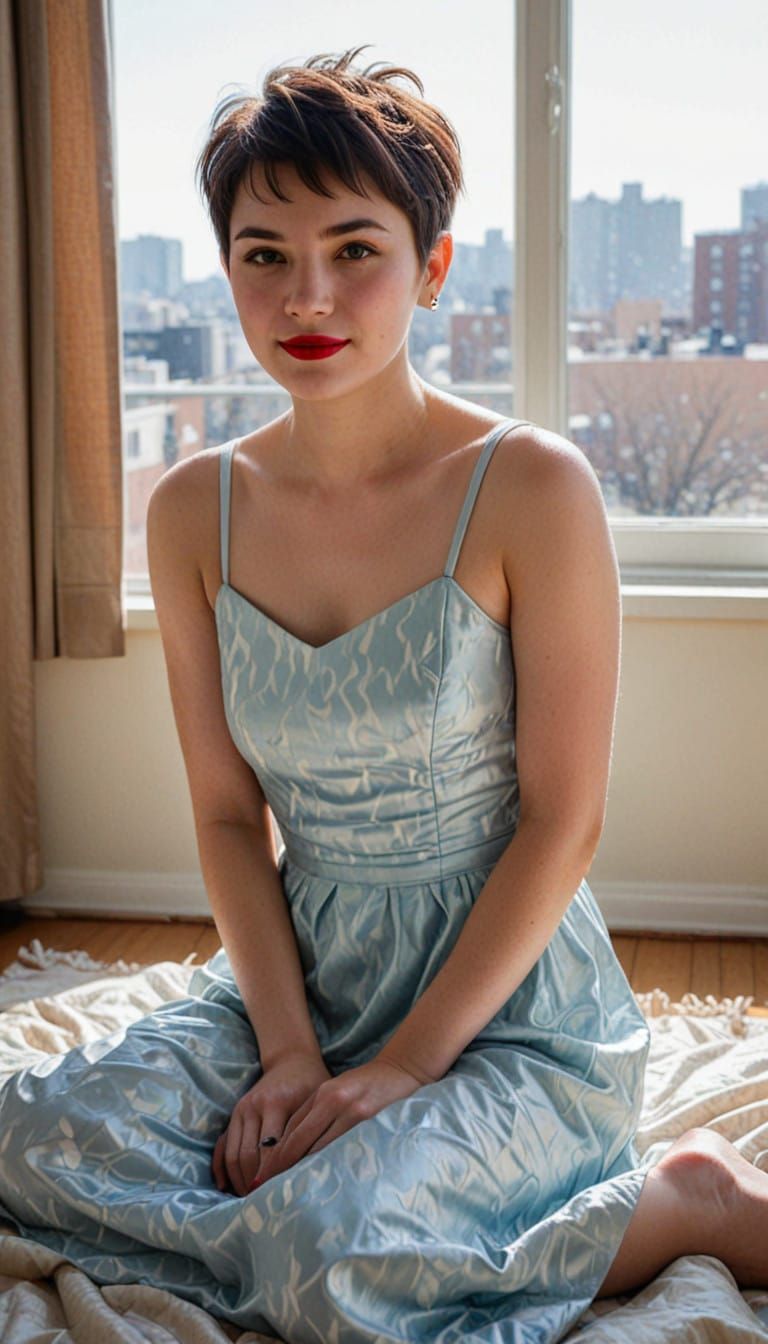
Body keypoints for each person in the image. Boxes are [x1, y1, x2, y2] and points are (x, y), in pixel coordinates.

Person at [0, 42, 766, 1343]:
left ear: (434, 266)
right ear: (224, 265)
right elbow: (230, 818)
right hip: (296, 973)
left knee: (329, 1258)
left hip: (507, 1004)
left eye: (356, 248)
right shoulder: (195, 510)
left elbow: (562, 821)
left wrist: (406, 1067)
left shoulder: (532, 484)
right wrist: (294, 1056)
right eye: (264, 253)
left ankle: (684, 1201)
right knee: (32, 1141)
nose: (310, 293)